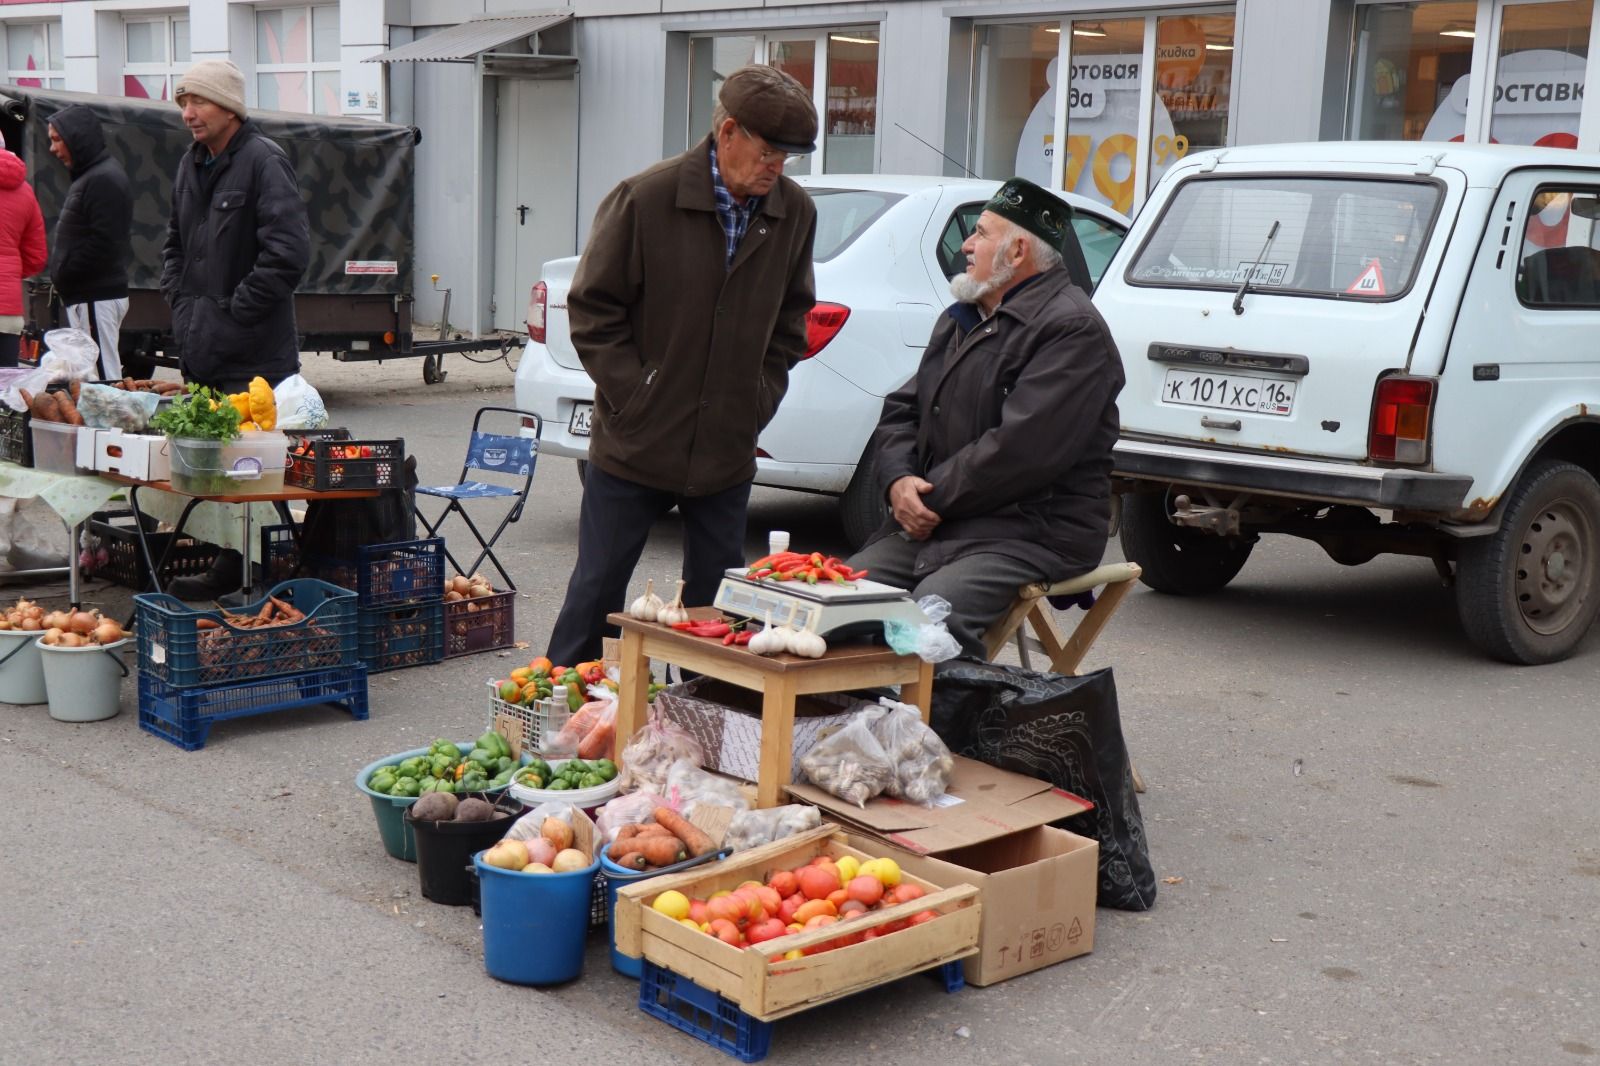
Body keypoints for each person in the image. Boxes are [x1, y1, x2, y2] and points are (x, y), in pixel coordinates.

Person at [544, 65, 819, 664]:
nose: (776, 167)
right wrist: (636, 394)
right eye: (769, 151)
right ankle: (561, 718)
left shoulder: (792, 213)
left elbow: (790, 321)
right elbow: (592, 309)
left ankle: (707, 730)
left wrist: (757, 399)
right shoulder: (647, 197)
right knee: (596, 593)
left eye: (787, 157)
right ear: (727, 133)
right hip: (637, 442)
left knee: (721, 609)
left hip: (725, 446)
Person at [846, 177, 1126, 657]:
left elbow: (1021, 451)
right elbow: (903, 411)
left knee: (924, 628)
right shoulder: (965, 316)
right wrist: (897, 483)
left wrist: (929, 500)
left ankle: (939, 734)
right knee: (837, 604)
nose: (967, 247)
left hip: (1030, 530)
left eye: (979, 234)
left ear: (1017, 252)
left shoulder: (1071, 330)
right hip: (949, 519)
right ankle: (847, 728)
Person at [160, 59, 310, 600]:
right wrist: (181, 302)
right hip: (201, 345)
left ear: (228, 106)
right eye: (182, 103)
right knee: (217, 471)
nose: (188, 113)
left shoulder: (264, 162)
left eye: (196, 101)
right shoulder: (190, 164)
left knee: (255, 470)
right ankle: (229, 566)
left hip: (254, 355)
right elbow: (173, 243)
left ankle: (270, 571)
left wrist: (234, 312)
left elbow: (289, 254)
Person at [45, 105, 132, 379]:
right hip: (89, 296)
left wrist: (67, 271)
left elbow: (105, 243)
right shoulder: (93, 176)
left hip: (96, 296)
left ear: (77, 138)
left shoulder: (103, 178)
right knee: (90, 377)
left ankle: (111, 425)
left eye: (57, 139)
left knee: (103, 378)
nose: (52, 148)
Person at [0, 146, 46, 368]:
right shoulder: (25, 191)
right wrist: (9, 272)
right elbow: (36, 257)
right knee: (5, 387)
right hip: (8, 313)